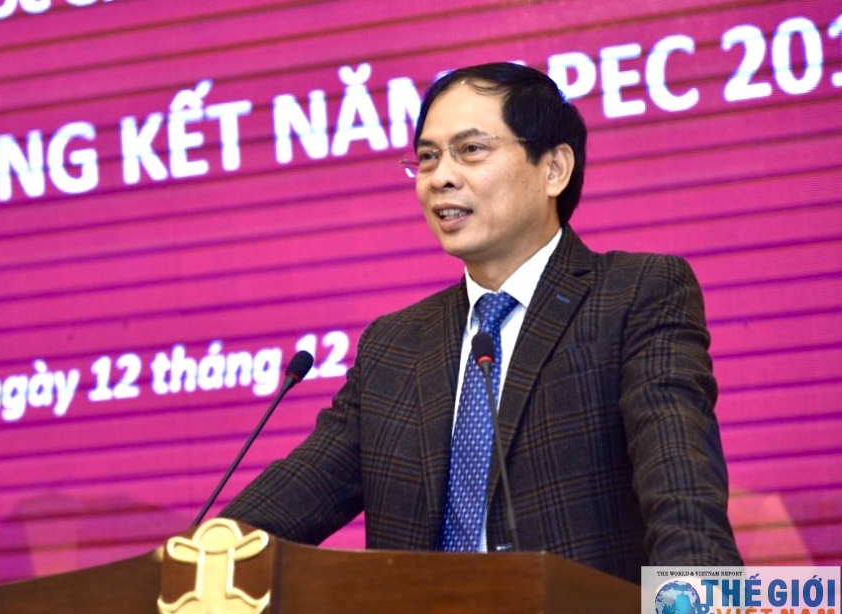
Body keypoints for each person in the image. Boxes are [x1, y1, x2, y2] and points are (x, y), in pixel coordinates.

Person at [220, 62, 742, 583]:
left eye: (470, 149)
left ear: (554, 169)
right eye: (428, 157)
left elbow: (684, 498)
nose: (441, 177)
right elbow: (285, 505)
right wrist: (193, 564)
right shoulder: (394, 346)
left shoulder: (635, 294)